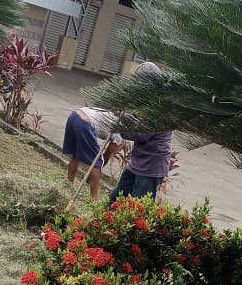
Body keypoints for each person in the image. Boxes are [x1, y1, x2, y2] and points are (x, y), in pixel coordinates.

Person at [108, 62, 173, 203]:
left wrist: (120, 127)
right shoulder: (146, 100)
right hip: (138, 161)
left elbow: (142, 134)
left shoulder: (160, 105)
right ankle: (107, 216)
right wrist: (122, 115)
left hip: (152, 164)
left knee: (138, 205)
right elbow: (135, 120)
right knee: (116, 197)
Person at [62, 106, 120, 201]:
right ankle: (94, 200)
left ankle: (68, 185)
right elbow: (105, 157)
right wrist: (95, 171)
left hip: (74, 115)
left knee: (75, 155)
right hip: (85, 122)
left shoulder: (114, 116)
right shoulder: (121, 136)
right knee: (97, 162)